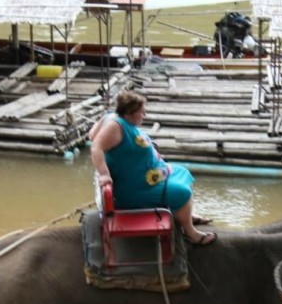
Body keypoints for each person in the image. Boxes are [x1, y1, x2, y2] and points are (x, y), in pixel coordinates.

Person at [90, 90, 216, 245]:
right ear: (130, 112)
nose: (145, 115)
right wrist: (104, 173)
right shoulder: (115, 126)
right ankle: (190, 231)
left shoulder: (114, 118)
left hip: (151, 175)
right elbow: (95, 145)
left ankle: (184, 215)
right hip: (136, 188)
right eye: (142, 112)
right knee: (182, 192)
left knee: (182, 172)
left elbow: (92, 134)